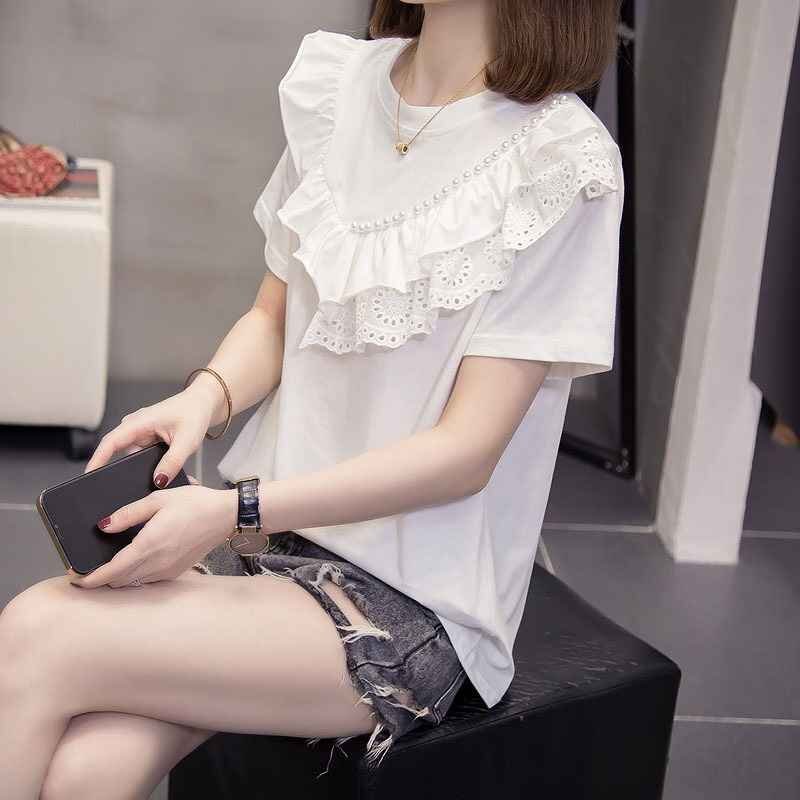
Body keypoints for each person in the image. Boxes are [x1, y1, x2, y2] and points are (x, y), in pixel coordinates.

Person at [0, 0, 624, 795]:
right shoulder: (340, 86)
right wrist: (204, 399)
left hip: (407, 603)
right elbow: (275, 316)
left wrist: (232, 510)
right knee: (86, 772)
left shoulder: (560, 159)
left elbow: (466, 453)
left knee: (37, 631)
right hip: (269, 548)